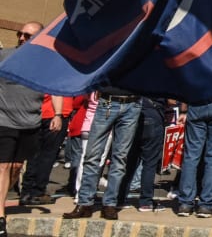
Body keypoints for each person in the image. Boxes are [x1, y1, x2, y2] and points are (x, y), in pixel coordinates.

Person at [0, 23, 61, 236]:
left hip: (30, 122)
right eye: (20, 34)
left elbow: (54, 87)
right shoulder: (4, 55)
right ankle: (0, 216)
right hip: (4, 119)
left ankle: (1, 198)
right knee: (4, 167)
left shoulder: (44, 64)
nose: (22, 38)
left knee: (16, 167)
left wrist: (58, 114)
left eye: (27, 35)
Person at [64, 85, 141, 221]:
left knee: (120, 158)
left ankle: (109, 204)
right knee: (92, 155)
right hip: (108, 101)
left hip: (132, 103)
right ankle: (85, 203)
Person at [174, 94, 212, 218]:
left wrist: (184, 109)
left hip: (197, 101)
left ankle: (185, 203)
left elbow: (187, 85)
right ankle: (206, 204)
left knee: (191, 155)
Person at [19, 91, 71, 206]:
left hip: (38, 111)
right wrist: (58, 115)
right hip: (54, 113)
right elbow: (56, 90)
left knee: (35, 155)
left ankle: (27, 191)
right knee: (47, 155)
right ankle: (37, 192)